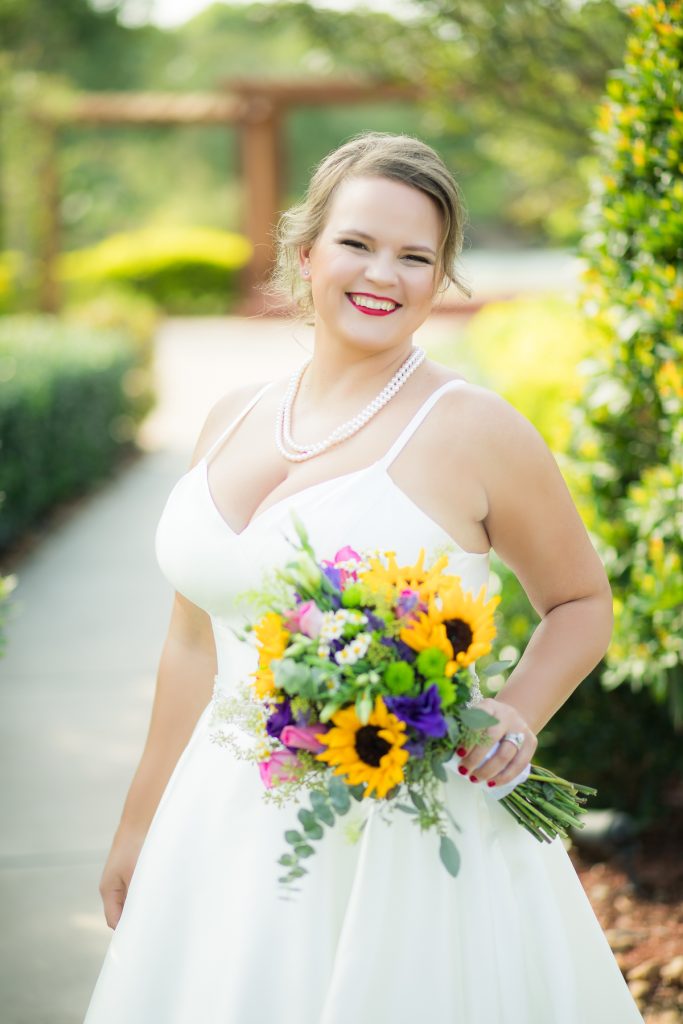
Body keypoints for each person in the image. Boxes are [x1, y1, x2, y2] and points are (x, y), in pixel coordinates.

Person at [84, 132, 644, 1023]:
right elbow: (191, 644)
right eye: (357, 244)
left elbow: (579, 603)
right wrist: (138, 824)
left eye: (415, 256)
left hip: (403, 837)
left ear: (440, 279)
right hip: (216, 828)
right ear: (306, 254)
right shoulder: (232, 418)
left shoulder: (473, 428)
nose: (382, 274)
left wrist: (513, 714)